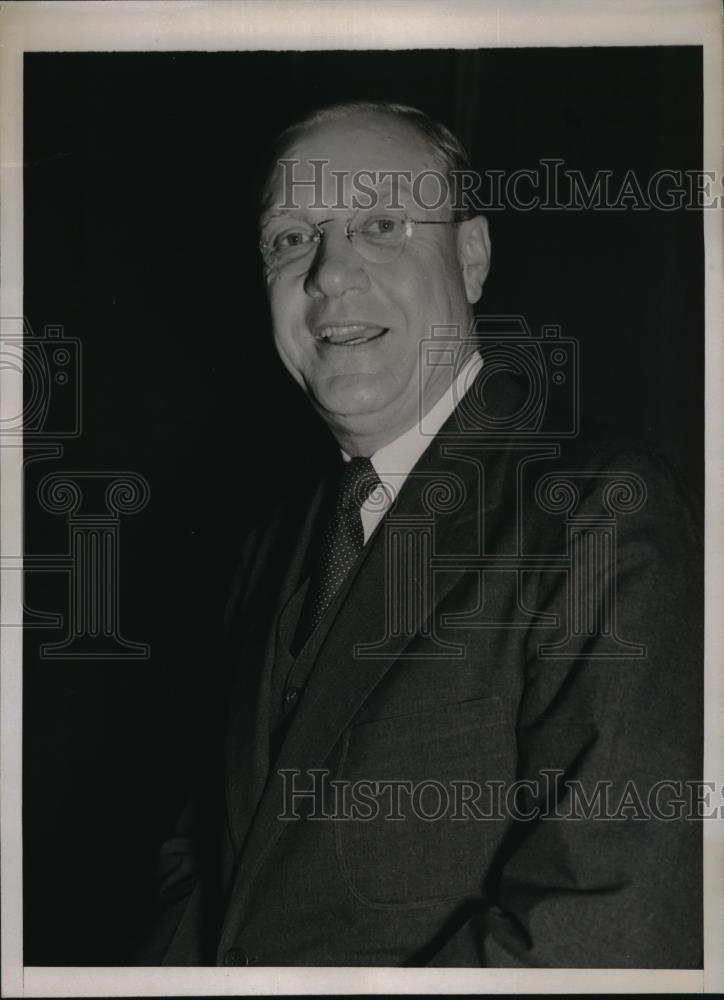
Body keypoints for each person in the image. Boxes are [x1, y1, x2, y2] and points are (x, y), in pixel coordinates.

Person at [143, 101, 702, 967]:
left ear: (471, 256)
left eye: (380, 224)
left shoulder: (595, 509)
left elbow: (611, 926)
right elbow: (205, 868)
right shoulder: (268, 550)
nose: (329, 273)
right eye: (291, 238)